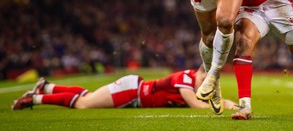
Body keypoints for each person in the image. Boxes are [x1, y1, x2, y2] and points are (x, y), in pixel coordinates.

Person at [11, 66, 238, 111]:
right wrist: (222, 106)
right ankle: (35, 99)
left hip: (133, 89)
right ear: (199, 72)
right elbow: (196, 105)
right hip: (132, 92)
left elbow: (202, 100)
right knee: (84, 104)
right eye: (207, 79)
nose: (207, 84)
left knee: (88, 98)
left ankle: (47, 87)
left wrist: (227, 103)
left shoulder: (191, 79)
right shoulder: (185, 79)